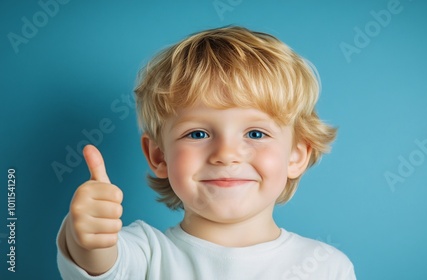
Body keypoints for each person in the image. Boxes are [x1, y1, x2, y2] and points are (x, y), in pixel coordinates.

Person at [56, 26, 356, 279]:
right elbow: (98, 263)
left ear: (296, 156)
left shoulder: (326, 267)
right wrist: (88, 236)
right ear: (159, 157)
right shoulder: (144, 254)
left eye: (255, 133)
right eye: (197, 134)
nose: (226, 154)